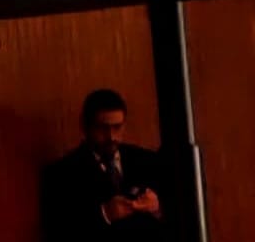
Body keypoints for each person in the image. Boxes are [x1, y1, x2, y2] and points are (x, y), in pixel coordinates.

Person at [40, 88, 168, 242]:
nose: (111, 137)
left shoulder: (147, 160)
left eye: (117, 127)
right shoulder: (61, 173)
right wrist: (104, 214)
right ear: (85, 126)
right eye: (102, 128)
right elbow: (58, 232)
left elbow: (180, 218)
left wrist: (157, 209)